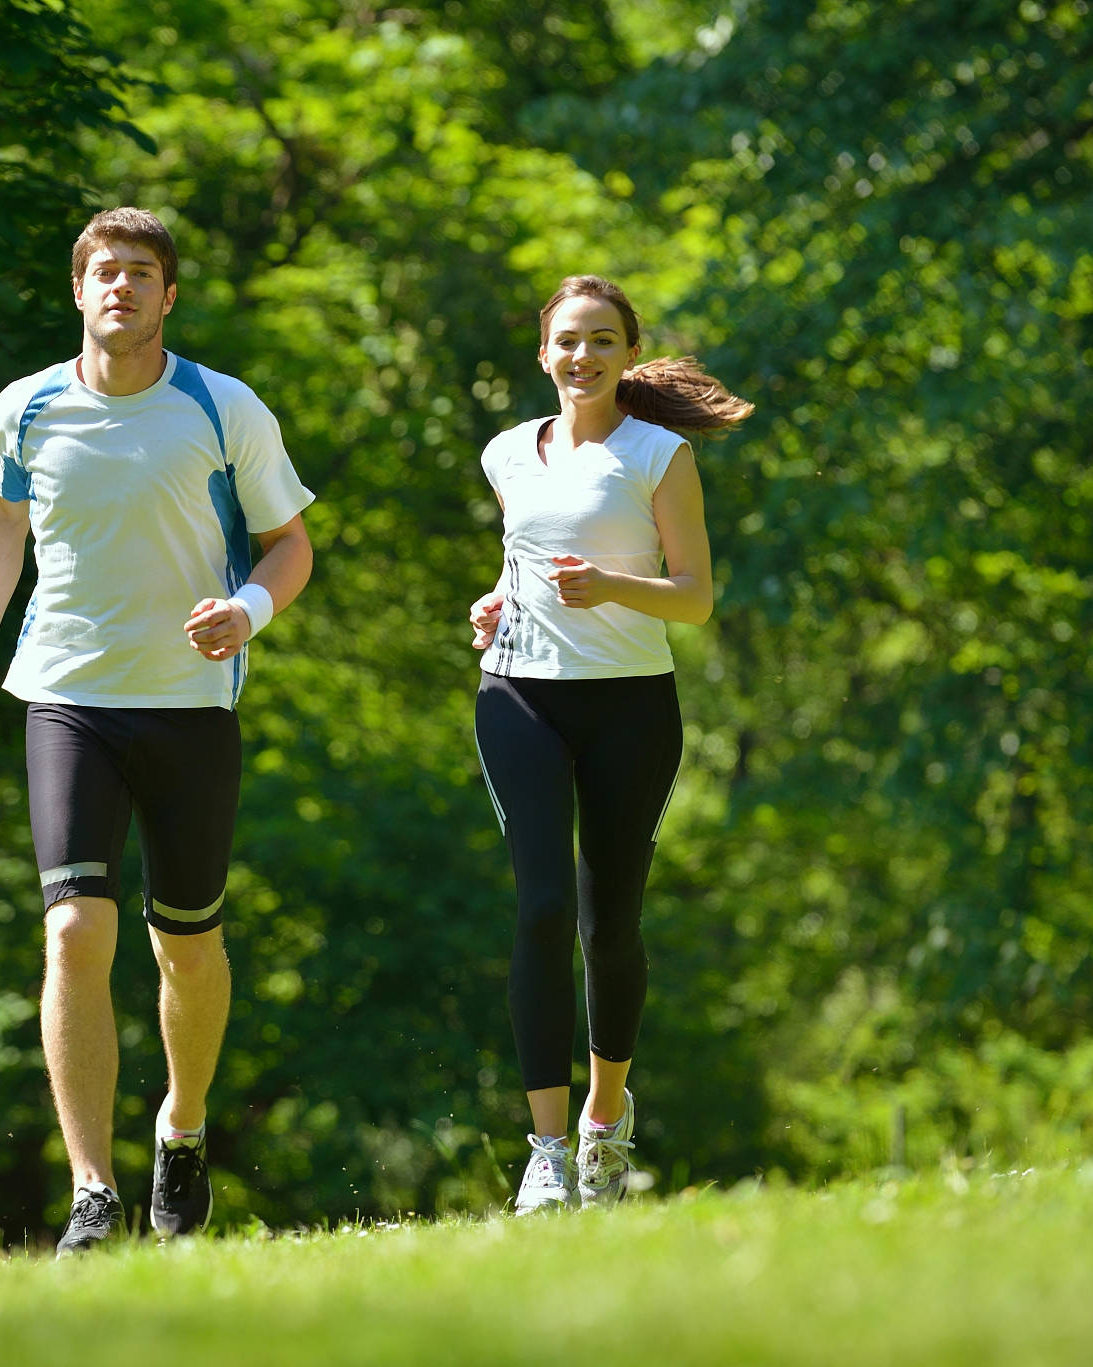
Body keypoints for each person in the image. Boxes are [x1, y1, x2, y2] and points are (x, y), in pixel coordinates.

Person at [0, 207, 315, 1255]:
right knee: (72, 928)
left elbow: (289, 542)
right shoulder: (29, 406)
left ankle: (181, 1125)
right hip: (65, 694)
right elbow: (2, 517)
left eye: (139, 273)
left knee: (184, 943)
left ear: (167, 295)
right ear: (77, 291)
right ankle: (92, 1191)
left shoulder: (220, 407)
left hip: (189, 704)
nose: (120, 288)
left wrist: (247, 609)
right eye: (103, 272)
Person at [467, 275, 751, 1214]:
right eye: (566, 341)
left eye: (601, 340)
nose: (582, 356)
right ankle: (546, 1150)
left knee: (609, 922)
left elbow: (697, 595)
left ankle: (604, 1118)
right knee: (541, 907)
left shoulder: (658, 455)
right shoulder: (507, 454)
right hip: (520, 698)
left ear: (628, 352)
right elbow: (522, 559)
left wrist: (613, 589)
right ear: (542, 355)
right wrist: (497, 601)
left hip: (631, 707)